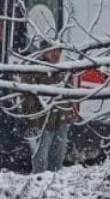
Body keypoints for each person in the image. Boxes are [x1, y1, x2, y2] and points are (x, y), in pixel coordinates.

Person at [21, 42, 77, 173]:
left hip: (60, 123)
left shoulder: (64, 70)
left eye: (58, 51)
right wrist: (34, 122)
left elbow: (69, 95)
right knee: (40, 164)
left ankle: (53, 190)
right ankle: (39, 189)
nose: (55, 54)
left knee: (57, 164)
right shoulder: (35, 69)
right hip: (41, 125)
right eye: (52, 50)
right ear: (44, 51)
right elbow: (27, 100)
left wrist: (68, 116)